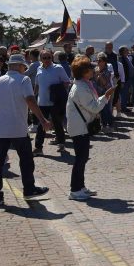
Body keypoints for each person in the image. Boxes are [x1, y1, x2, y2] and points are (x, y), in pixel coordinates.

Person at [0, 53, 51, 207]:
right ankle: (29, 189)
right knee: (26, 160)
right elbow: (30, 99)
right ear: (21, 66)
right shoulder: (24, 80)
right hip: (18, 129)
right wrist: (42, 119)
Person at [66, 57, 114, 201]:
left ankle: (80, 187)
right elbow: (94, 107)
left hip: (81, 126)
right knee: (81, 159)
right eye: (91, 69)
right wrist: (106, 96)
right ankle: (75, 190)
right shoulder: (81, 87)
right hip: (79, 127)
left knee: (83, 158)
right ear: (84, 72)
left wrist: (104, 97)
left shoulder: (84, 84)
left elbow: (92, 104)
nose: (94, 70)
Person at [34, 50, 71, 154]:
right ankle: (38, 147)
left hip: (55, 102)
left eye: (49, 57)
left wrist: (57, 90)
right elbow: (37, 84)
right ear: (40, 59)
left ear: (52, 58)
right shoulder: (39, 68)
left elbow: (67, 82)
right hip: (42, 101)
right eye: (44, 58)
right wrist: (33, 96)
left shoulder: (58, 68)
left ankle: (61, 145)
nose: (47, 60)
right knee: (41, 125)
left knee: (57, 123)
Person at [92, 54, 116, 133]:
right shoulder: (96, 69)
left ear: (105, 62)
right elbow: (94, 81)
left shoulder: (107, 72)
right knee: (101, 110)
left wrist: (99, 75)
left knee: (106, 110)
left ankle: (111, 125)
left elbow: (105, 84)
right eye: (97, 61)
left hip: (105, 93)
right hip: (97, 93)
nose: (98, 62)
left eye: (100, 61)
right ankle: (104, 125)